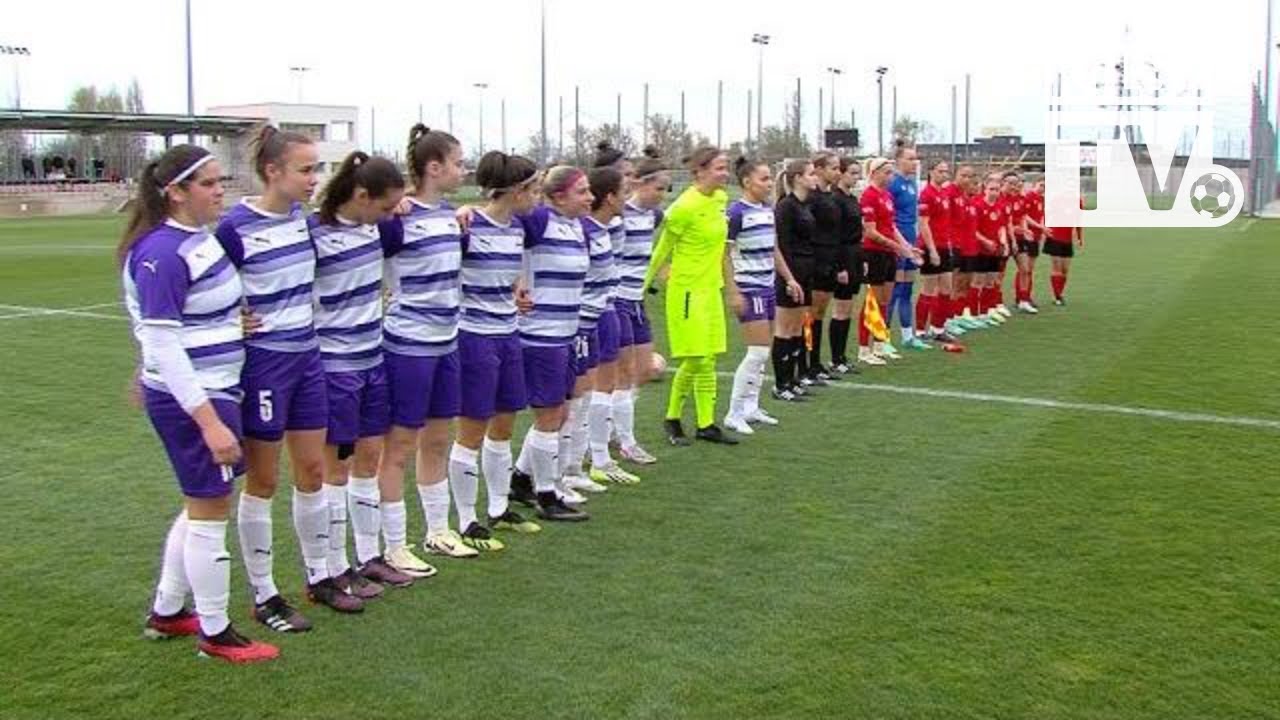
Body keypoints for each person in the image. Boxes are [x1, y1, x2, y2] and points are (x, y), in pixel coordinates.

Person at [125, 144, 278, 662]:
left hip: (216, 387)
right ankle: (215, 633)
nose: (221, 191)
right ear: (177, 193)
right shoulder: (164, 253)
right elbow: (163, 342)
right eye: (210, 184)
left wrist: (228, 325)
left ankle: (168, 612)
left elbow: (188, 320)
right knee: (211, 513)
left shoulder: (199, 241)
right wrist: (209, 422)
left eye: (220, 181)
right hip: (196, 400)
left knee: (200, 505)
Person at [215, 126, 329, 631]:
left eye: (317, 168)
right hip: (264, 365)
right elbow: (205, 289)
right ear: (272, 172)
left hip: (309, 358)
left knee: (314, 471)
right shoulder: (234, 228)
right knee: (263, 480)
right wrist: (227, 319)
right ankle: (264, 594)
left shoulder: (304, 221)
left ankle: (320, 575)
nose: (314, 178)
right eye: (306, 169)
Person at [307, 151, 414, 597]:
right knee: (335, 469)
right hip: (335, 366)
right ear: (361, 194)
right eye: (386, 207)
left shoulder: (376, 230)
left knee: (368, 461)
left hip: (374, 359)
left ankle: (368, 557)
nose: (392, 216)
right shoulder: (313, 233)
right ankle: (331, 568)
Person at [377, 124, 473, 565]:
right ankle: (395, 545)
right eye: (458, 162)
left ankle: (438, 530)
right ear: (434, 167)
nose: (464, 169)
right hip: (408, 346)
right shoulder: (397, 218)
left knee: (438, 440)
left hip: (446, 343)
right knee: (399, 447)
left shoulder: (452, 215)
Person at [448, 150, 544, 551]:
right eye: (532, 188)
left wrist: (516, 292)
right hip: (474, 338)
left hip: (509, 335)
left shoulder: (518, 229)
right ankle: (468, 520)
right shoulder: (467, 226)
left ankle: (499, 508)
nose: (537, 195)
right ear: (515, 190)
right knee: (471, 432)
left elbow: (509, 276)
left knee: (503, 428)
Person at [509, 166, 594, 521]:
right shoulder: (539, 219)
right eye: (583, 191)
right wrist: (514, 287)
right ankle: (548, 495)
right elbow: (501, 227)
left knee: (559, 413)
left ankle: (521, 479)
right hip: (539, 336)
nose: (590, 197)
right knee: (549, 416)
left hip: (565, 333)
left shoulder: (575, 226)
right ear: (558, 196)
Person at [644, 145, 737, 445]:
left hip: (711, 291)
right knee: (696, 359)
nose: (725, 173)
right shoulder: (683, 207)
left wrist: (729, 286)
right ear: (700, 172)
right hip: (686, 292)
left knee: (709, 359)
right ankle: (672, 418)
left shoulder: (721, 199)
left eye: (726, 167)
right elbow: (661, 250)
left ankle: (706, 424)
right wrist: (641, 286)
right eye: (719, 168)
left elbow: (721, 248)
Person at [569, 166, 642, 489]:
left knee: (605, 386)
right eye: (624, 191)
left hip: (607, 310)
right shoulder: (583, 229)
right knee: (582, 394)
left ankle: (597, 460)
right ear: (610, 197)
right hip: (586, 318)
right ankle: (582, 464)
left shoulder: (605, 227)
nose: (629, 197)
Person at [612, 147, 667, 465]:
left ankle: (611, 428)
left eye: (665, 189)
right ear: (638, 184)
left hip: (637, 299)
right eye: (658, 188)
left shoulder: (654, 215)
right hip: (617, 299)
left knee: (644, 370)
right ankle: (625, 441)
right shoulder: (619, 214)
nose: (661, 195)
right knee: (622, 373)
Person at [723, 156, 780, 434]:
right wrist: (733, 290)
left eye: (770, 178)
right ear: (747, 182)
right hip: (749, 287)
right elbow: (723, 254)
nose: (769, 184)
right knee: (756, 352)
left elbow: (774, 249)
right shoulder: (735, 213)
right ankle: (733, 413)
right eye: (764, 179)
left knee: (763, 351)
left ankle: (751, 407)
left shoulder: (768, 209)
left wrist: (788, 278)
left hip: (768, 286)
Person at [857, 157, 923, 366]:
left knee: (885, 300)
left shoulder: (886, 195)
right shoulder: (868, 195)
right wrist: (898, 247)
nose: (890, 176)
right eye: (886, 172)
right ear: (874, 173)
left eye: (891, 172)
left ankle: (879, 344)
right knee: (873, 302)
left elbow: (891, 226)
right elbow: (871, 232)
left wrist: (906, 246)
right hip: (874, 252)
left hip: (888, 253)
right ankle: (863, 348)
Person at [770, 159, 817, 398]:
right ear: (798, 177)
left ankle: (794, 379)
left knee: (798, 327)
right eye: (810, 174)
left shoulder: (805, 205)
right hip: (791, 273)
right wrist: (789, 278)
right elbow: (781, 245)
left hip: (806, 271)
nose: (814, 177)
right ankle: (780, 384)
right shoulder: (785, 207)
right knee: (785, 328)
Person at [886, 143, 937, 351]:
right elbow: (888, 219)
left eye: (916, 159)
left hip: (910, 240)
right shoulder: (893, 184)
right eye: (910, 158)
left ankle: (908, 336)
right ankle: (884, 338)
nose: (914, 162)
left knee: (907, 289)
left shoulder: (913, 184)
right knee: (894, 291)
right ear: (898, 161)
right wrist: (900, 243)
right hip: (897, 243)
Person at [916, 160, 960, 344]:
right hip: (930, 246)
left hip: (944, 246)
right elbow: (923, 224)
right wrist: (931, 250)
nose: (945, 174)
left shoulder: (943, 193)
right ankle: (919, 330)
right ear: (931, 172)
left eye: (946, 171)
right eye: (941, 171)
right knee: (928, 289)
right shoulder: (926, 194)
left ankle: (938, 328)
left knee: (946, 289)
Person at [828, 157, 864, 373]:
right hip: (843, 255)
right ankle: (835, 358)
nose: (856, 177)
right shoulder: (836, 199)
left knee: (848, 308)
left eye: (858, 173)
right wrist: (840, 266)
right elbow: (837, 235)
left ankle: (841, 356)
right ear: (840, 173)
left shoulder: (852, 199)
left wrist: (862, 259)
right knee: (840, 309)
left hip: (855, 254)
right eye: (852, 172)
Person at [973, 174, 1010, 326]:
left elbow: (1001, 226)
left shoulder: (1000, 207)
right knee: (977, 283)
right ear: (984, 189)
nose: (994, 192)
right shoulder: (977, 205)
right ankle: (974, 314)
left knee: (991, 282)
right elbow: (972, 230)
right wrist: (985, 241)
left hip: (995, 250)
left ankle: (986, 313)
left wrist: (1004, 241)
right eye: (991, 189)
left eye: (997, 189)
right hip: (980, 250)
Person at [1044, 193, 1084, 305]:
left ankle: (1060, 293)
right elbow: (1046, 215)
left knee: (1065, 270)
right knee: (1057, 268)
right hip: (1054, 237)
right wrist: (1044, 229)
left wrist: (1079, 237)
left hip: (1067, 240)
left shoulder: (1078, 200)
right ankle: (1057, 297)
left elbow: (1078, 220)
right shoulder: (1056, 198)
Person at [1018, 176, 1047, 312]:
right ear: (1035, 184)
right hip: (1028, 236)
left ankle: (1025, 296)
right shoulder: (1029, 197)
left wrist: (1042, 231)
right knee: (1025, 269)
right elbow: (1026, 217)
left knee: (1029, 269)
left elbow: (1040, 216)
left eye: (1045, 186)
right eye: (1041, 185)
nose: (1043, 188)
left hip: (1036, 236)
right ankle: (1022, 297)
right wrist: (1039, 227)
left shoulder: (1042, 199)